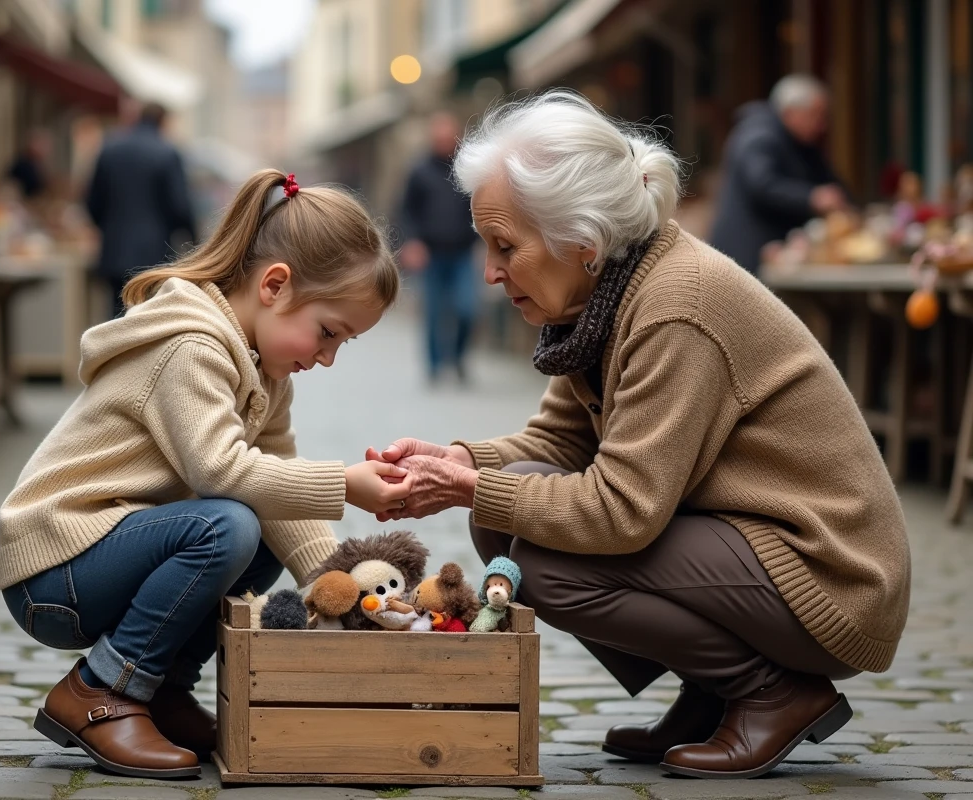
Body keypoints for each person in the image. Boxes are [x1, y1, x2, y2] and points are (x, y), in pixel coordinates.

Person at [368, 92, 909, 780]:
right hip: (754, 544)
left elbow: (622, 510)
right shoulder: (605, 293)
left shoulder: (674, 308)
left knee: (538, 559)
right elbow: (557, 446)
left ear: (582, 242)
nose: (490, 272)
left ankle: (772, 694)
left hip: (828, 574)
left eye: (506, 247)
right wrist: (457, 464)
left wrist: (475, 487)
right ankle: (713, 692)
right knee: (503, 515)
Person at [0, 169, 410, 779]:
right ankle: (100, 689)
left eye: (341, 344)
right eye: (328, 332)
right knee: (228, 525)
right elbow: (224, 471)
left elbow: (281, 489)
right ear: (274, 284)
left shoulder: (267, 374)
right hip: (55, 572)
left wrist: (339, 585)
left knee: (257, 526)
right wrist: (345, 483)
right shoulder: (190, 347)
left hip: (106, 556)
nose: (327, 356)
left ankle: (159, 690)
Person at [710, 74, 849, 273]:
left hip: (773, 251)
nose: (822, 125)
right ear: (792, 112)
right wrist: (812, 197)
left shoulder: (799, 143)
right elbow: (763, 185)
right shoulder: (759, 136)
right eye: (816, 115)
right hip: (749, 252)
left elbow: (828, 179)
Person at [86, 103, 198, 318]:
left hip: (115, 251)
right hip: (154, 253)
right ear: (162, 121)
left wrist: (109, 229)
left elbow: (93, 202)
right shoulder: (167, 153)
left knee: (116, 316)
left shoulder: (109, 150)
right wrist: (193, 243)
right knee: (148, 319)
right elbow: (179, 206)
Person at [399, 112, 481, 383]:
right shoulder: (419, 171)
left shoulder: (468, 170)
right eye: (440, 137)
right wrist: (411, 242)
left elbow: (481, 209)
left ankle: (457, 358)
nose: (445, 141)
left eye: (449, 137)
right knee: (433, 313)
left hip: (462, 252)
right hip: (431, 254)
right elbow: (406, 212)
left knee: (467, 308)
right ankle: (434, 366)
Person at [6, 129, 53, 199]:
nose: (47, 150)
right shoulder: (23, 165)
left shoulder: (35, 163)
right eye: (44, 145)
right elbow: (33, 190)